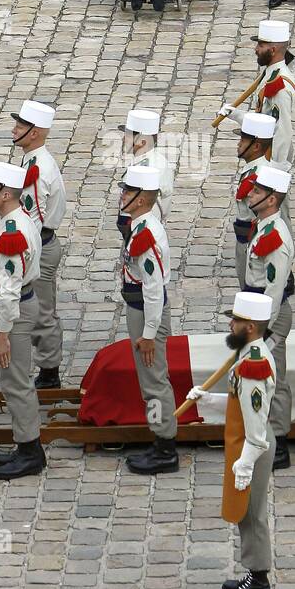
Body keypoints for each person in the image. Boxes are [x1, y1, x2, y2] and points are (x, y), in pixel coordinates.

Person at [186, 291, 277, 589]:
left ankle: (260, 580)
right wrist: (208, 400)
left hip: (252, 445)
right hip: (244, 440)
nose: (231, 324)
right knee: (245, 513)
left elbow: (256, 421)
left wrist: (247, 462)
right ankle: (254, 573)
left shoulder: (254, 364)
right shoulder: (249, 354)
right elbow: (240, 405)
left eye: (236, 320)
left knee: (251, 514)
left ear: (250, 327)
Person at [0, 161, 46, 482]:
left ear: (5, 194)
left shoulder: (11, 234)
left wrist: (1, 335)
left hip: (13, 314)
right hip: (18, 308)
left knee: (16, 383)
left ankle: (31, 450)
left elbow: (8, 292)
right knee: (15, 380)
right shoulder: (17, 218)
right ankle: (24, 444)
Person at [117, 165, 177, 475]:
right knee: (148, 379)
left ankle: (164, 445)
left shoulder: (146, 235)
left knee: (153, 381)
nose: (122, 196)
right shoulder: (139, 227)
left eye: (127, 191)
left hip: (146, 314)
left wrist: (150, 333)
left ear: (141, 199)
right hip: (139, 309)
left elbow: (154, 290)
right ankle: (159, 439)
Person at [10, 100, 68, 394]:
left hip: (39, 247)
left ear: (34, 133)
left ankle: (49, 372)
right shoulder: (35, 160)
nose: (14, 130)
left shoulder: (36, 169)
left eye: (20, 126)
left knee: (42, 311)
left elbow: (32, 218)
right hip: (42, 243)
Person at [241, 164, 294, 472]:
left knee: (276, 378)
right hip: (256, 312)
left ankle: (280, 441)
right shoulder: (263, 226)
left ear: (272, 199)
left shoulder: (275, 236)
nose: (251, 194)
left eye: (258, 191)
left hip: (268, 315)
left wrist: (263, 326)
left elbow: (274, 287)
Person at [217, 18, 295, 165]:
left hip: (270, 156)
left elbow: (282, 131)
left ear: (273, 50)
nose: (256, 49)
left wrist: (275, 167)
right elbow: (264, 118)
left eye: (261, 45)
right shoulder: (269, 73)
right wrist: (237, 115)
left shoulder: (281, 87)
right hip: (261, 153)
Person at [231, 112, 276, 283]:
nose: (238, 144)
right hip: (244, 237)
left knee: (254, 284)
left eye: (243, 141)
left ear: (256, 146)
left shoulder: (261, 175)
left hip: (253, 238)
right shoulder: (251, 170)